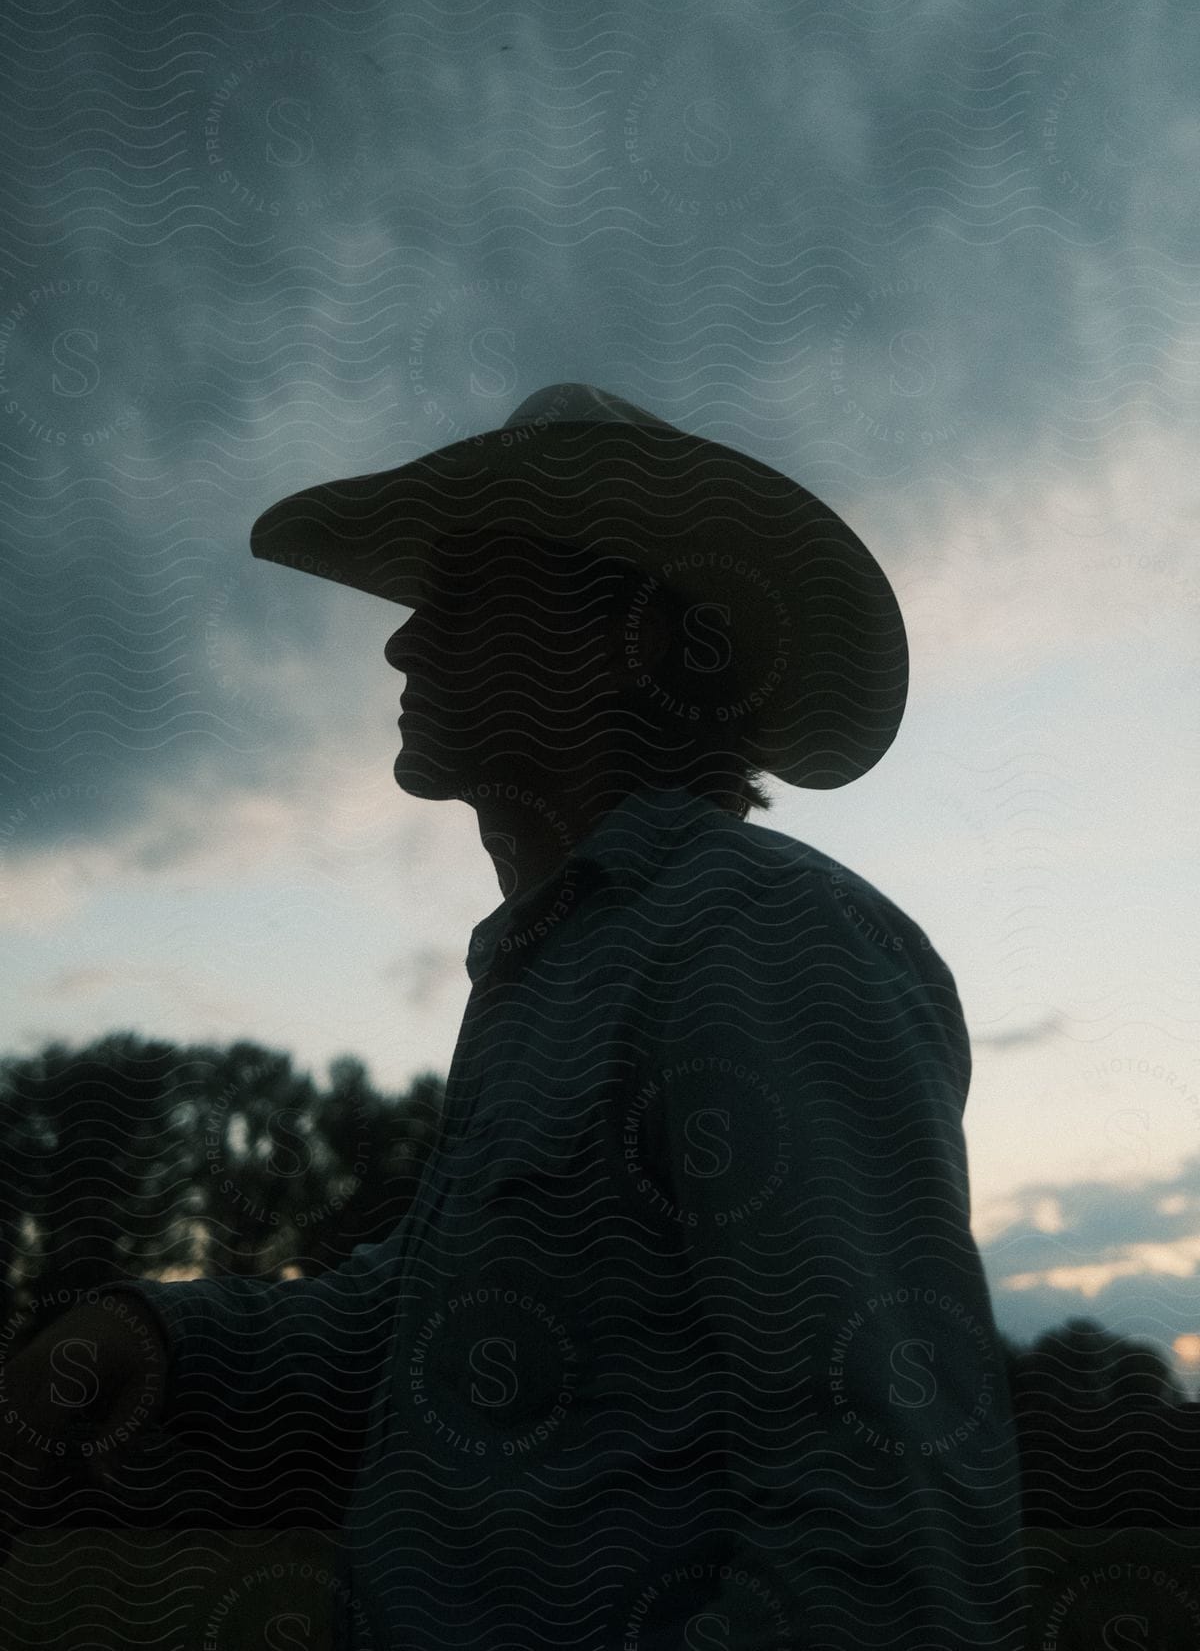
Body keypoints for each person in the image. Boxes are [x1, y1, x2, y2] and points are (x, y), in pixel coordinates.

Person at [0, 386, 1029, 1649]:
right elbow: (435, 1321)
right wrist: (149, 1335)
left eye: (464, 593)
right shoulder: (559, 967)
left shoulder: (762, 941)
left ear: (628, 642)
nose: (402, 644)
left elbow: (892, 1545)